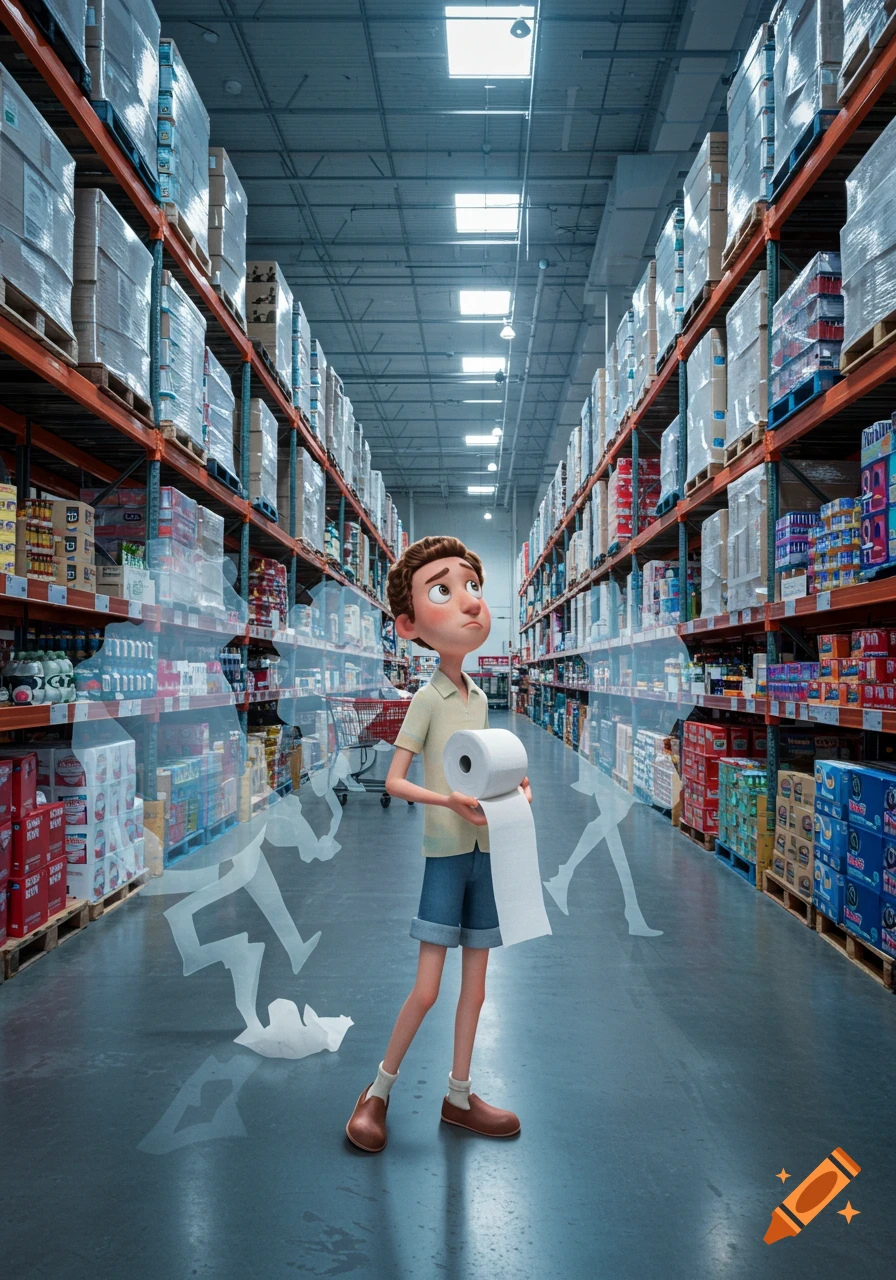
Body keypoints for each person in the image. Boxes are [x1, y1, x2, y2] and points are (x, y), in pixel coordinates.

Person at [345, 535, 532, 1153]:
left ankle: (459, 1096)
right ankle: (376, 1093)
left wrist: (511, 791)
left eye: (473, 587)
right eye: (444, 591)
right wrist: (448, 799)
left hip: (486, 855)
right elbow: (397, 780)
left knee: (476, 990)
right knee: (428, 989)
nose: (469, 603)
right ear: (409, 625)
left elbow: (480, 767)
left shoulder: (479, 698)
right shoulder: (426, 699)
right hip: (445, 859)